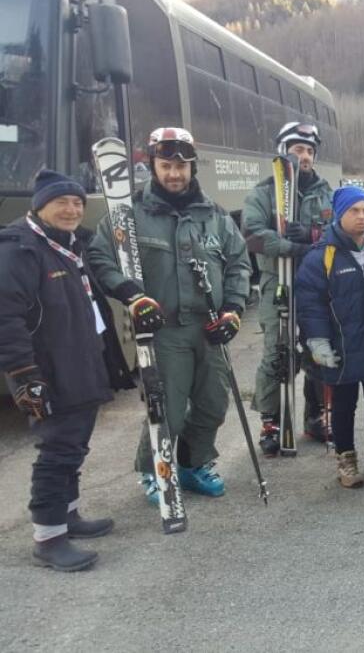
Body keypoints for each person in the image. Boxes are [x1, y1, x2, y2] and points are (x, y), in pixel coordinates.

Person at [89, 127, 250, 502]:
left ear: (192, 167)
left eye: (181, 166)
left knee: (213, 405)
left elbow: (239, 264)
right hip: (165, 331)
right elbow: (99, 257)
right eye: (166, 165)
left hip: (208, 328)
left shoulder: (214, 216)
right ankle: (154, 469)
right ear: (152, 165)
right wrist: (131, 296)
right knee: (169, 410)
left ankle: (193, 465)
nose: (174, 174)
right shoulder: (129, 215)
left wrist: (234, 311)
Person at [1, 171, 120, 571]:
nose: (71, 210)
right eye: (61, 203)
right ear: (39, 206)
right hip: (46, 369)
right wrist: (24, 375)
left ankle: (67, 515)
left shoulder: (66, 242)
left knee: (75, 444)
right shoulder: (20, 248)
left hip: (79, 359)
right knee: (57, 450)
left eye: (77, 203)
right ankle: (49, 537)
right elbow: (6, 318)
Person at [242, 122, 333, 454]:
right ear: (283, 151)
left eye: (309, 151)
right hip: (276, 281)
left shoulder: (325, 192)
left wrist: (310, 237)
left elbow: (337, 231)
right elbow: (252, 234)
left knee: (319, 349)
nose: (304, 156)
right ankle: (272, 421)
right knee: (277, 352)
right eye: (297, 149)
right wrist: (287, 246)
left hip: (315, 284)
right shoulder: (264, 192)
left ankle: (316, 415)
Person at [294, 187, 364, 488]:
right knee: (344, 406)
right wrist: (318, 342)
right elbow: (310, 304)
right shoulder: (322, 255)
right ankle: (346, 460)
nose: (361, 217)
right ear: (340, 213)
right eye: (354, 211)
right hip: (342, 347)